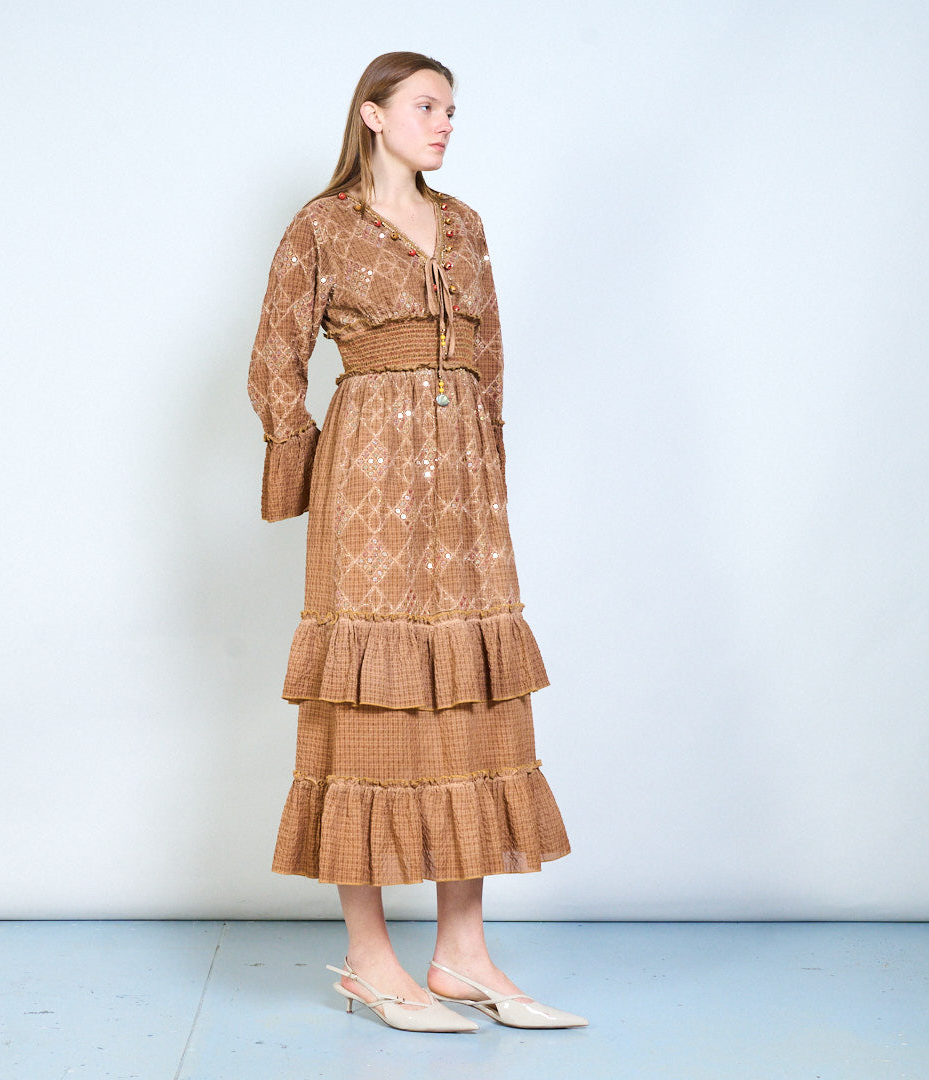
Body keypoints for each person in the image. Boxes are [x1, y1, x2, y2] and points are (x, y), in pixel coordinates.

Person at [247, 51, 586, 1033]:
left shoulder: (466, 223)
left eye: (450, 110)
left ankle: (461, 954)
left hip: (462, 485)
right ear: (373, 114)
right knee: (368, 704)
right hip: (369, 477)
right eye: (427, 106)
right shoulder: (322, 226)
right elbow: (274, 358)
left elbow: (490, 356)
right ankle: (368, 960)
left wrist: (487, 463)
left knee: (470, 696)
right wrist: (301, 469)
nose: (444, 123)